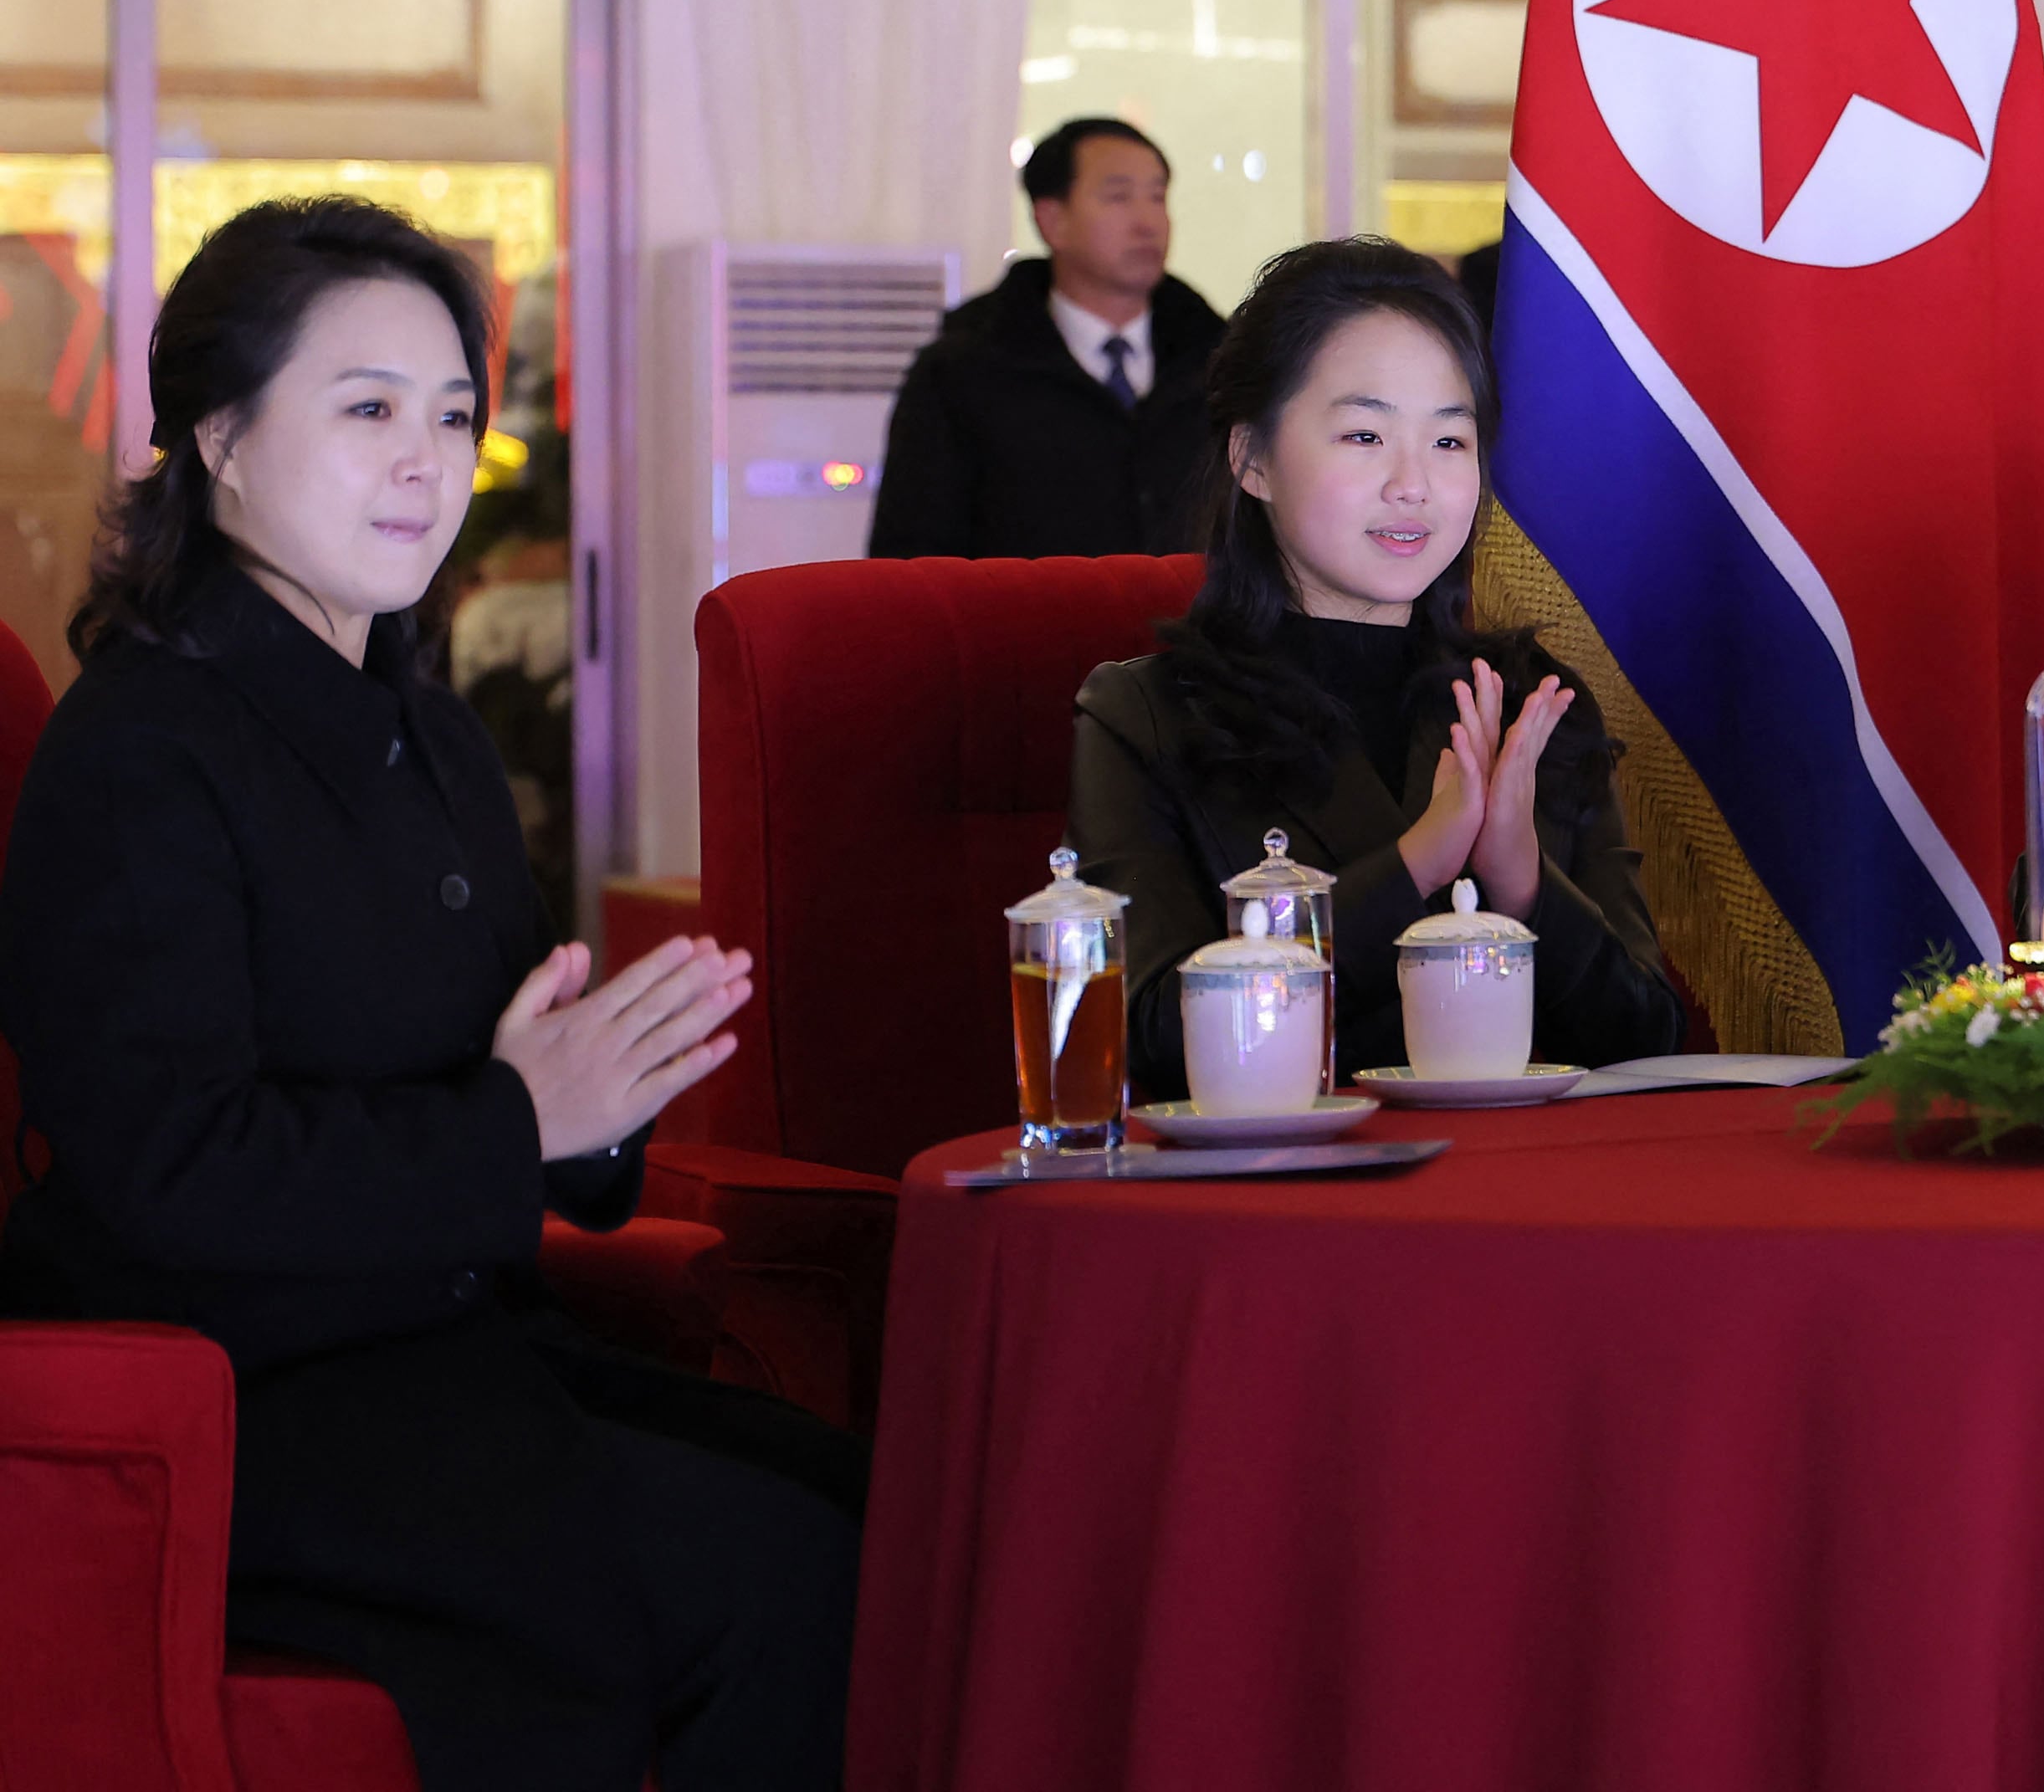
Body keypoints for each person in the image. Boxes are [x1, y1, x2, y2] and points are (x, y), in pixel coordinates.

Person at [0, 199, 860, 1790]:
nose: (429, 458)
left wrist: (606, 1095)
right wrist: (528, 1115)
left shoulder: (434, 730)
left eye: (455, 413)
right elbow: (174, 1169)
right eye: (368, 409)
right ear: (220, 437)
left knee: (861, 1498)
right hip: (245, 1392)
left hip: (447, 1354)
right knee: (776, 1580)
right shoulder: (139, 755)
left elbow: (516, 1091)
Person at [1068, 236, 1685, 1101]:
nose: (1414, 485)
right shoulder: (1147, 714)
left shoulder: (1528, 703)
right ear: (1251, 459)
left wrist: (1522, 884)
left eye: (1449, 441)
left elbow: (1645, 1040)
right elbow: (1152, 1043)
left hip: (1530, 1204)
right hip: (1289, 1209)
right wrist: (1414, 867)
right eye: (1364, 434)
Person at [868, 115, 1227, 557]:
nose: (1148, 222)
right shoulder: (962, 373)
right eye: (1119, 197)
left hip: (1192, 625)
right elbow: (910, 559)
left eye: (1158, 197)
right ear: (1052, 220)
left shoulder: (1221, 366)